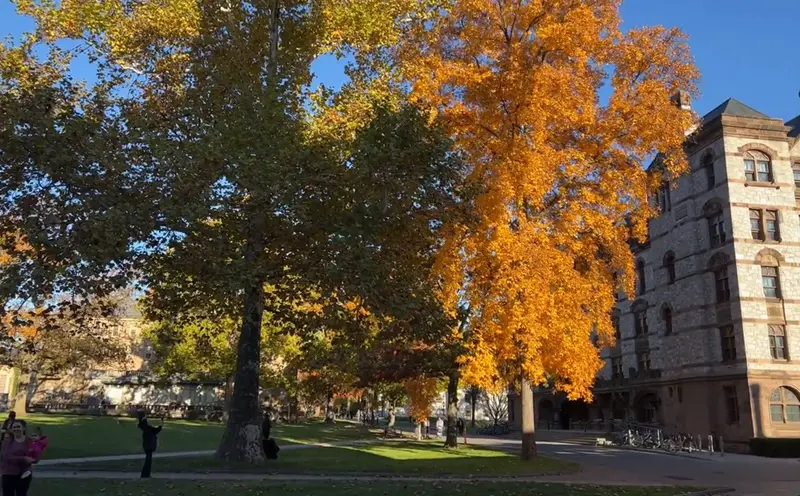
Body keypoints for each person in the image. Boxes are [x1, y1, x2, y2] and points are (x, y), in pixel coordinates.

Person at [0, 420, 38, 496]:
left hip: (25, 473)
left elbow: (35, 456)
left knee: (22, 494)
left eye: (18, 427)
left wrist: (34, 459)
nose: (16, 429)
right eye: (14, 427)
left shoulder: (29, 441)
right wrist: (24, 458)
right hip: (8, 473)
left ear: (23, 428)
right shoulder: (7, 441)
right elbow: (6, 457)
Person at [137, 412, 163, 479]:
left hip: (147, 446)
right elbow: (156, 430)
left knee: (148, 461)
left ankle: (145, 474)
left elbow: (155, 430)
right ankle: (145, 474)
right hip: (149, 446)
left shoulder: (145, 428)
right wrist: (161, 423)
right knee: (148, 461)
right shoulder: (147, 429)